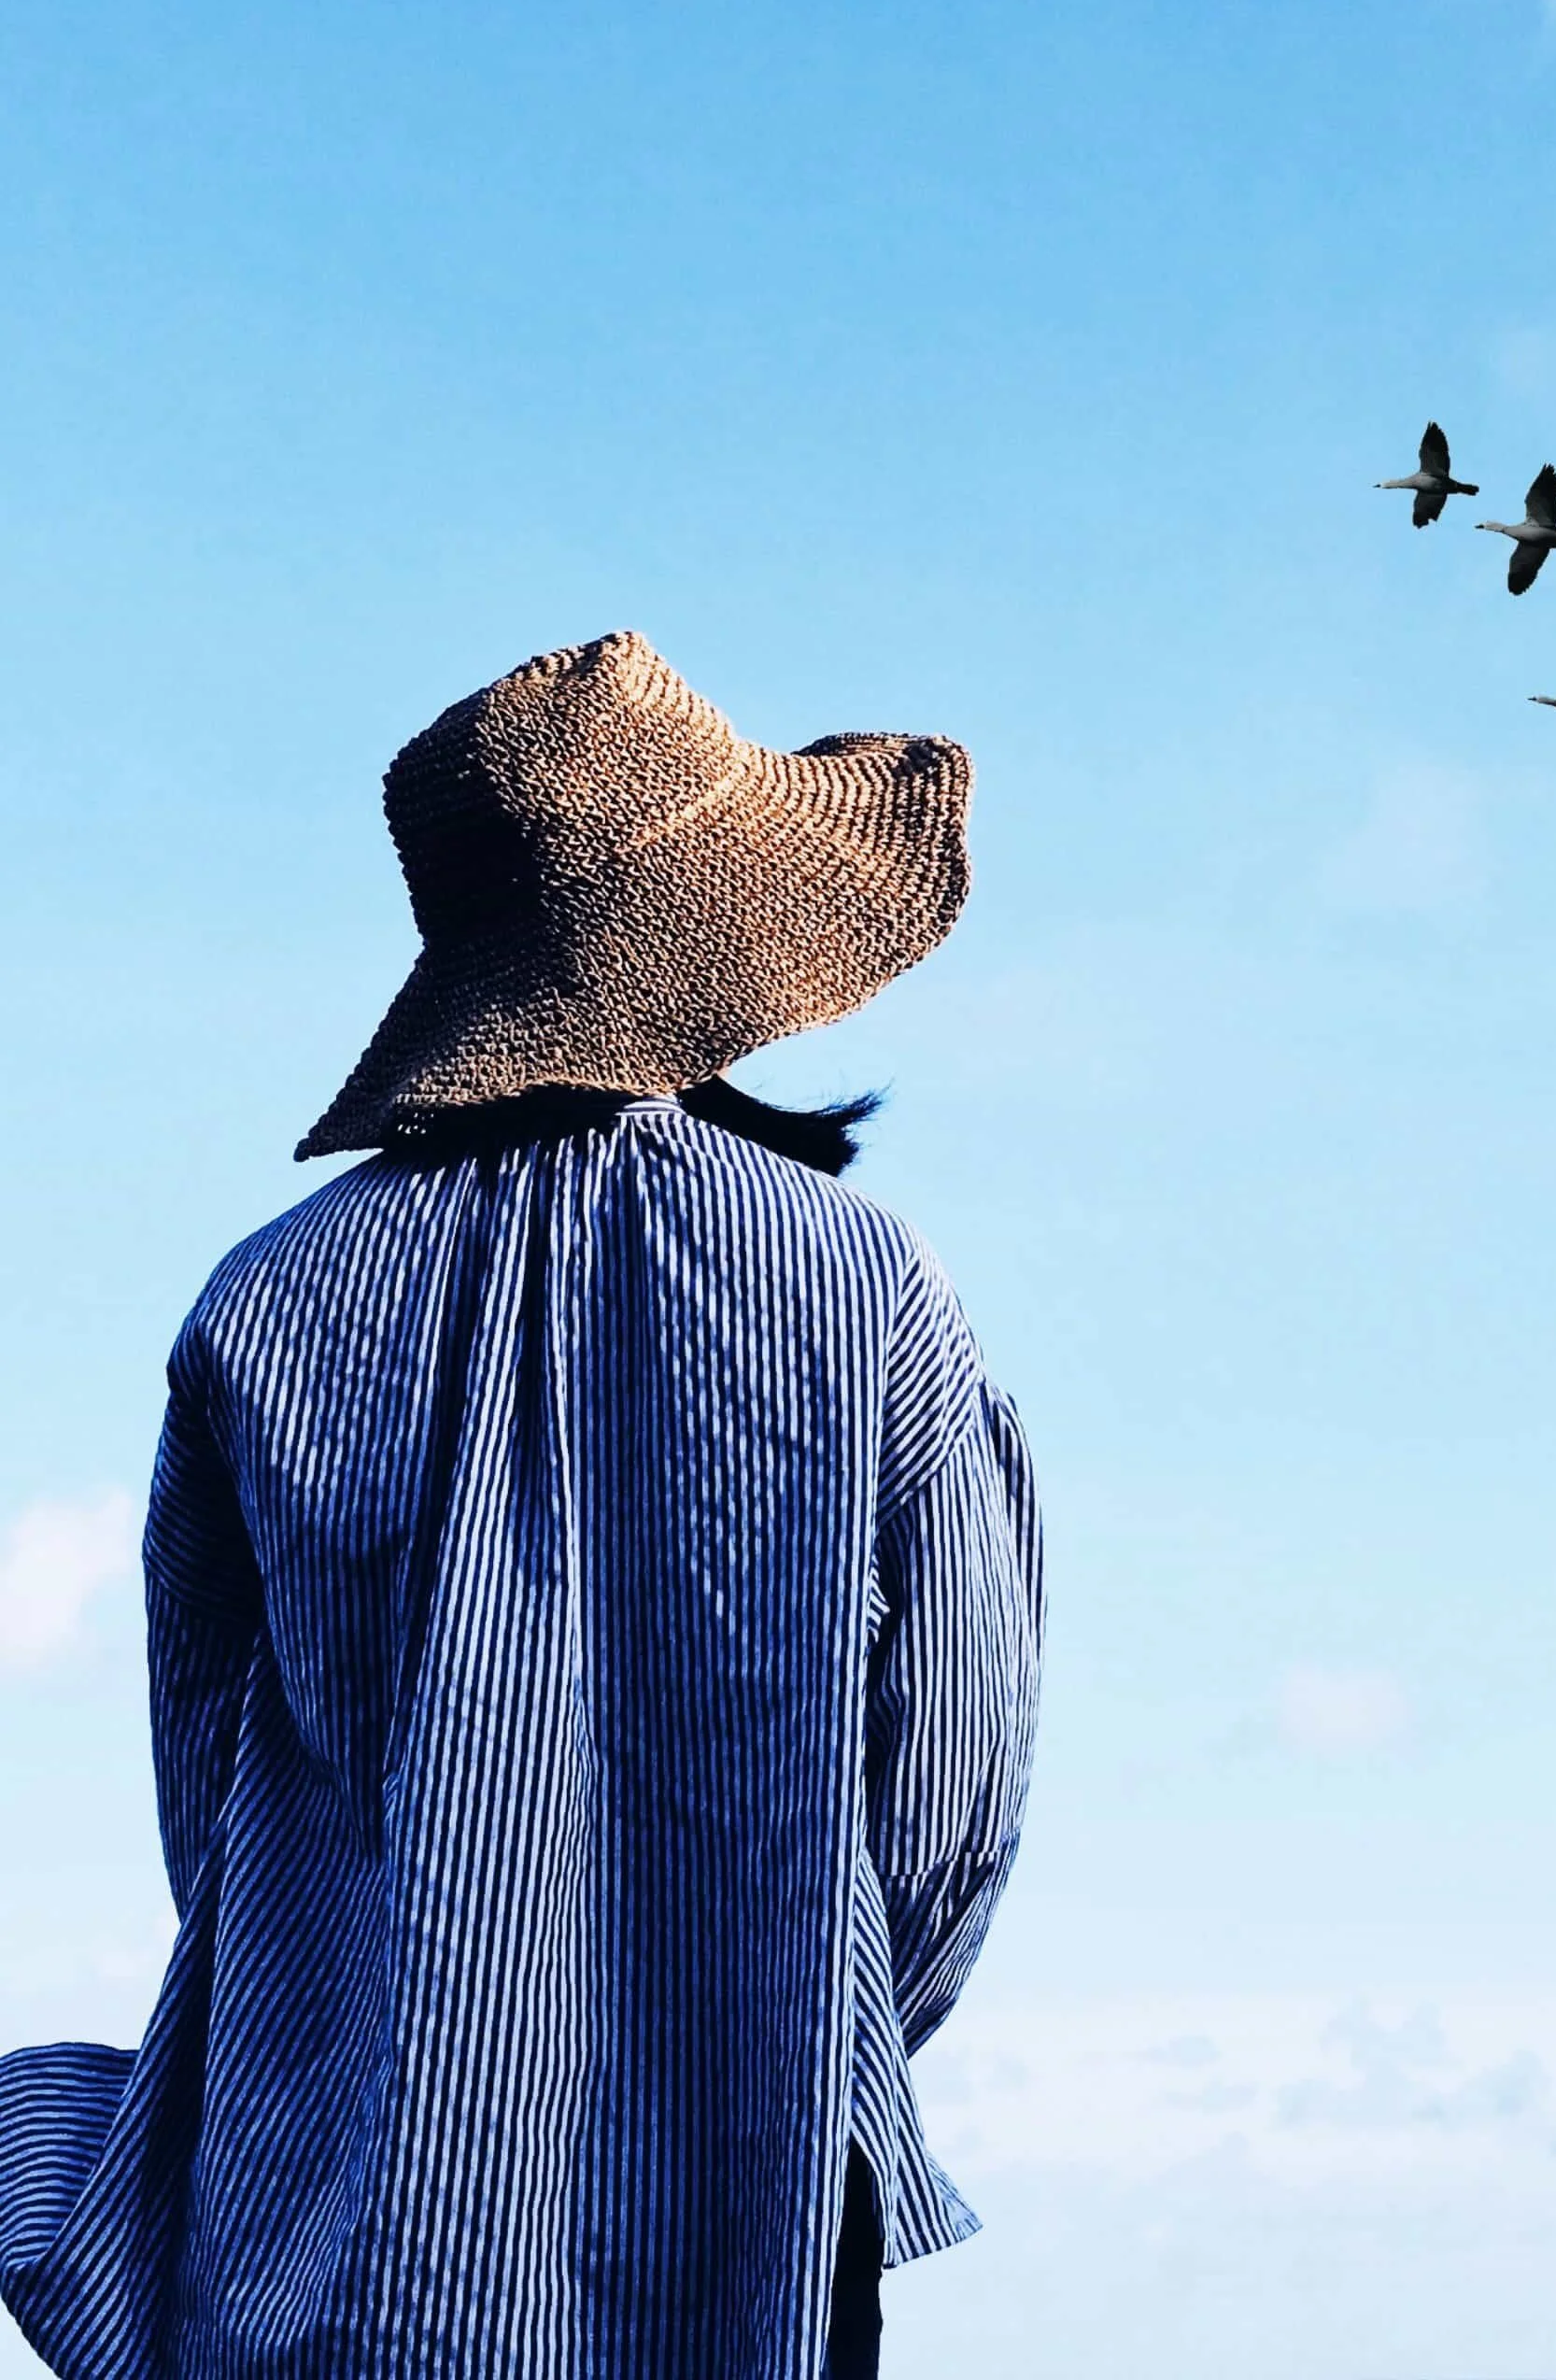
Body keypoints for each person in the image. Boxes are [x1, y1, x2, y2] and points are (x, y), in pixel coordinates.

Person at [0, 631, 1043, 2380]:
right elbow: (953, 1795)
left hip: (345, 2234)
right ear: (734, 959)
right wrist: (776, 2019)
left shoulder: (257, 1307)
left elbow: (217, 1815)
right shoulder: (870, 1292)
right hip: (766, 2234)